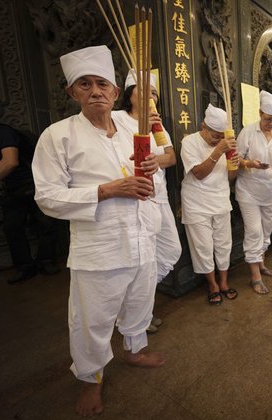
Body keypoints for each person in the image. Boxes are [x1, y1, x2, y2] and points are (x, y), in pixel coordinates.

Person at [31, 46, 165, 416]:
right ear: (73, 92)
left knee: (140, 302)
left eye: (102, 83)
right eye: (85, 84)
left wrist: (153, 164)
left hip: (141, 235)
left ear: (115, 91)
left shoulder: (130, 127)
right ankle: (91, 379)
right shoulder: (58, 136)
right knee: (94, 318)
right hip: (100, 246)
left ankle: (134, 350)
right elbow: (48, 197)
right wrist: (105, 191)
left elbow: (154, 166)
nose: (95, 91)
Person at [112, 69, 182, 333]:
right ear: (129, 95)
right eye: (145, 91)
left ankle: (136, 306)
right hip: (134, 198)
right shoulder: (116, 119)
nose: (151, 96)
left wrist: (157, 161)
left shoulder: (157, 124)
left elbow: (171, 157)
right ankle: (136, 314)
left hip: (159, 197)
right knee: (140, 260)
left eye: (154, 92)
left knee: (170, 251)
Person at [180, 104, 239, 305]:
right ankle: (212, 284)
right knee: (203, 246)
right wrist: (218, 151)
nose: (219, 139)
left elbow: (230, 178)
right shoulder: (189, 142)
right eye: (215, 135)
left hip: (221, 200)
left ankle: (224, 282)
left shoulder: (225, 144)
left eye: (222, 136)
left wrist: (234, 164)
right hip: (196, 203)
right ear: (203, 126)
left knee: (224, 244)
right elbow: (198, 174)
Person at [235, 90, 272, 294]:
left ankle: (261, 264)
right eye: (268, 120)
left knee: (266, 232)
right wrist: (249, 163)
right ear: (260, 113)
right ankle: (255, 276)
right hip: (248, 191)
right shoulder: (248, 132)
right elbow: (235, 160)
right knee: (254, 232)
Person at [0, 123, 60, 283]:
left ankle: (46, 261)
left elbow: (10, 161)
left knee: (47, 222)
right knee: (12, 228)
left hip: (34, 181)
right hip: (12, 186)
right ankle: (24, 267)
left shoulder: (0, 131)